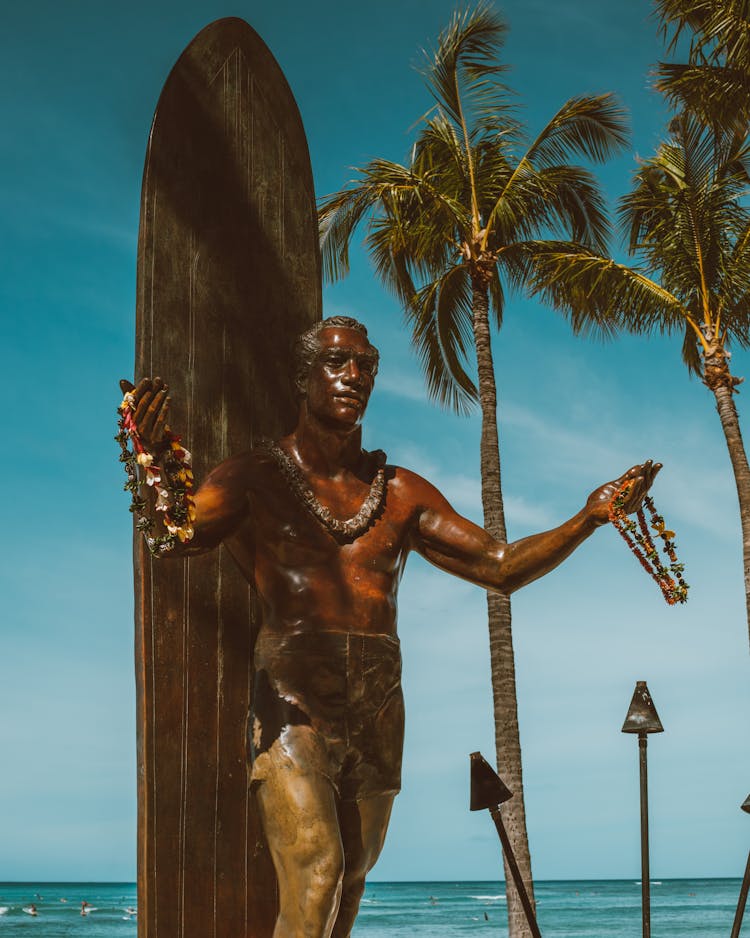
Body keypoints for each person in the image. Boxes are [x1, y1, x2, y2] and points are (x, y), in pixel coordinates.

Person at [120, 315, 659, 938]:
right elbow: (179, 533)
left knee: (351, 883)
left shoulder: (400, 491)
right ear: (303, 377)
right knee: (318, 872)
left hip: (378, 705)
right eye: (336, 362)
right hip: (294, 699)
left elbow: (499, 567)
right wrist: (151, 459)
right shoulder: (254, 477)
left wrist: (588, 517)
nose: (353, 376)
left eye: (366, 365)